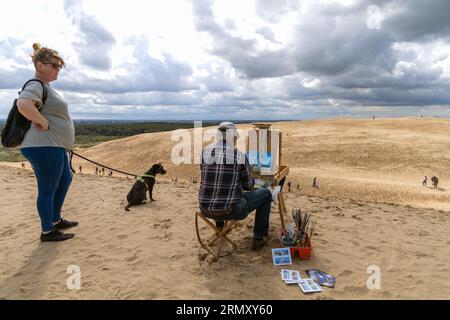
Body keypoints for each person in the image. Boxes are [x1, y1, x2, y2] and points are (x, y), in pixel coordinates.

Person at [17, 43, 78, 242]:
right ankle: (47, 231)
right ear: (40, 65)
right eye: (54, 65)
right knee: (48, 188)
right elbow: (23, 103)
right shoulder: (36, 84)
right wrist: (41, 121)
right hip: (43, 146)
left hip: (55, 146)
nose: (57, 69)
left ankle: (55, 219)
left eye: (59, 66)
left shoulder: (45, 87)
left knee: (65, 179)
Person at [198, 122, 272, 251]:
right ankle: (259, 238)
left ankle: (220, 228)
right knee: (266, 194)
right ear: (234, 137)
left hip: (205, 208)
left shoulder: (205, 152)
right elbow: (248, 186)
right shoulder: (239, 156)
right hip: (229, 211)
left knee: (219, 191)